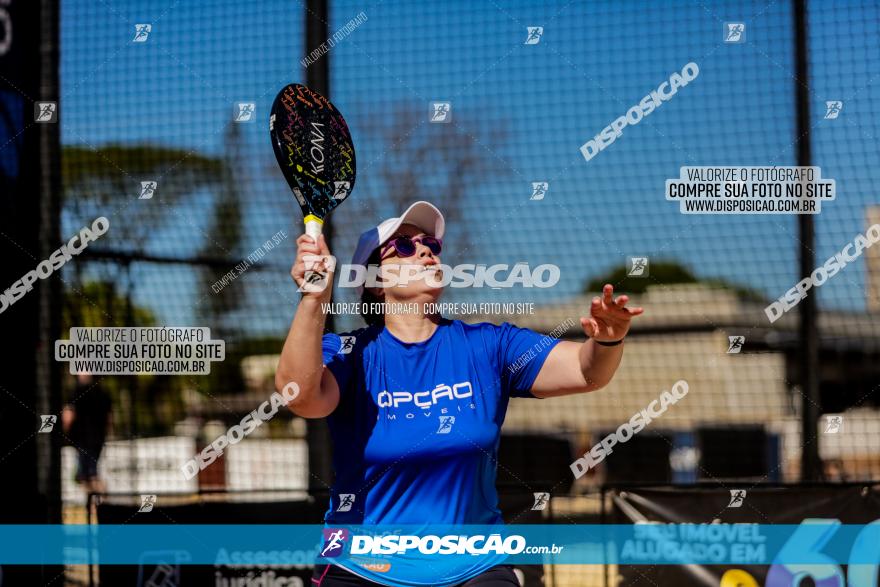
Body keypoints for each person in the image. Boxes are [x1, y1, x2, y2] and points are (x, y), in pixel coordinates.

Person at [275, 201, 644, 586]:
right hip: (358, 567)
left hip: (473, 566)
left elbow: (587, 372)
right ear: (374, 280)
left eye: (431, 244)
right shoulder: (351, 354)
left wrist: (608, 340)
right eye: (403, 246)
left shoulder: (488, 345)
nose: (425, 251)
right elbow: (298, 395)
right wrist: (313, 298)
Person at [62, 372, 112, 495]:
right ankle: (95, 503)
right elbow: (110, 418)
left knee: (88, 475)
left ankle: (101, 499)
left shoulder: (77, 392)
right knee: (85, 475)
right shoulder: (102, 391)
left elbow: (68, 416)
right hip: (92, 440)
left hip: (86, 440)